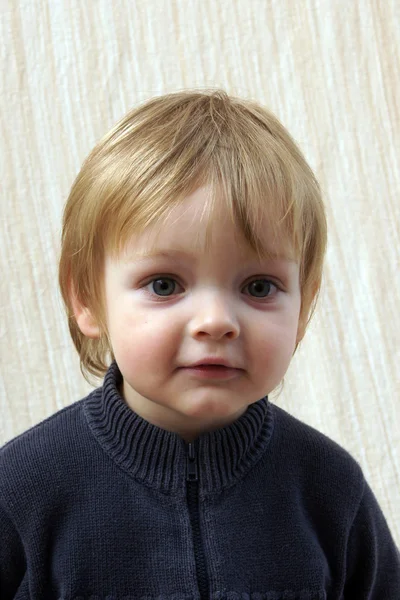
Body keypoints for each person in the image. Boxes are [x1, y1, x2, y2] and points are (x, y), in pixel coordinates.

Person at [1, 90, 399, 599]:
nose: (215, 321)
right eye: (164, 285)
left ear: (303, 306)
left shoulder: (329, 491)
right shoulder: (24, 487)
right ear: (87, 297)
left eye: (258, 287)